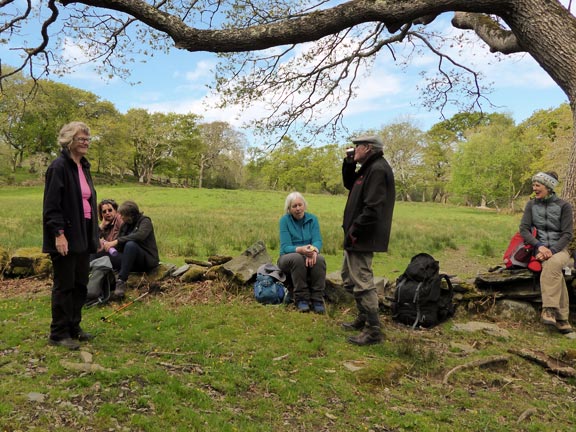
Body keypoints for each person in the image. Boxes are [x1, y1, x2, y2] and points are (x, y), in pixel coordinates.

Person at [42, 121, 99, 350]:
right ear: (69, 141)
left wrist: (96, 235)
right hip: (66, 233)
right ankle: (58, 333)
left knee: (80, 284)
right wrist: (59, 234)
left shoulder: (84, 166)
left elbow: (88, 203)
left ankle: (74, 327)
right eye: (81, 138)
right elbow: (52, 206)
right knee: (64, 285)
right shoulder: (58, 167)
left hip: (84, 232)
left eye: (87, 139)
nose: (85, 142)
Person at [340, 135, 395, 346]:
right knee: (349, 278)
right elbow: (349, 184)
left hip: (362, 237)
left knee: (362, 282)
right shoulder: (368, 168)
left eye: (357, 147)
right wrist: (348, 163)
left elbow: (373, 208)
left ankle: (373, 331)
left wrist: (355, 230)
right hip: (355, 236)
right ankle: (363, 318)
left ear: (368, 148)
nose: (354, 150)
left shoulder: (378, 169)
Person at [520, 171, 573, 334]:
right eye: (533, 185)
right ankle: (562, 319)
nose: (534, 188)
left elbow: (567, 234)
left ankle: (549, 309)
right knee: (554, 268)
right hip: (539, 249)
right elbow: (524, 229)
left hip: (560, 250)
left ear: (549, 187)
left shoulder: (564, 206)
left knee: (553, 263)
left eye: (538, 185)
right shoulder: (531, 205)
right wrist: (540, 246)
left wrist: (552, 250)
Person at [277, 192, 327, 313]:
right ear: (289, 209)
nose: (298, 208)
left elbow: (317, 240)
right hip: (287, 258)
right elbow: (285, 247)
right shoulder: (284, 221)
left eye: (300, 205)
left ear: (304, 205)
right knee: (297, 258)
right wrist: (301, 250)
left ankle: (317, 299)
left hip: (308, 254)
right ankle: (301, 299)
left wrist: (314, 250)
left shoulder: (312, 219)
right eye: (294, 206)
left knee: (319, 259)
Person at [102, 200, 160, 299]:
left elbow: (140, 236)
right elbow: (120, 247)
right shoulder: (125, 225)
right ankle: (91, 277)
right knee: (102, 253)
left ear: (131, 215)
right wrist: (107, 245)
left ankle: (121, 282)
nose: (121, 217)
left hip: (146, 261)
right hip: (130, 261)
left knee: (130, 245)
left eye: (123, 215)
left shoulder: (145, 221)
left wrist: (117, 241)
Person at [91, 199, 123, 265]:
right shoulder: (106, 224)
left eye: (110, 210)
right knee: (92, 250)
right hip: (111, 253)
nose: (107, 213)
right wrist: (102, 226)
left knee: (93, 253)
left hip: (120, 254)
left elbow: (126, 236)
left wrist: (111, 243)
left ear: (116, 210)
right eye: (104, 212)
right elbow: (93, 239)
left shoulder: (119, 219)